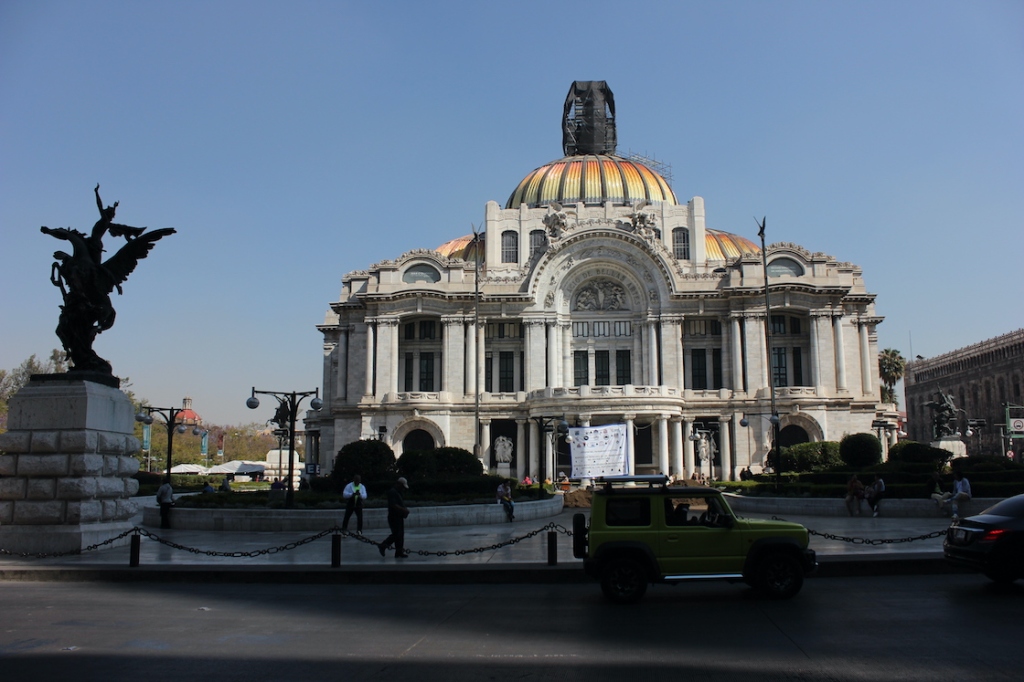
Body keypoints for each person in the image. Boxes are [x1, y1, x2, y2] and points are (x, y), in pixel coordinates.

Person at [379, 477, 410, 558]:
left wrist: (404, 511)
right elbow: (393, 505)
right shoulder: (392, 492)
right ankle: (383, 545)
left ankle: (399, 552)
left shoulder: (397, 492)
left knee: (400, 534)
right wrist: (404, 510)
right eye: (402, 486)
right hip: (394, 517)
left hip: (398, 517)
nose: (403, 489)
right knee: (396, 534)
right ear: (398, 484)